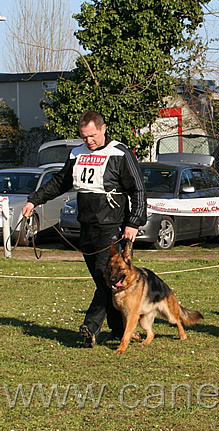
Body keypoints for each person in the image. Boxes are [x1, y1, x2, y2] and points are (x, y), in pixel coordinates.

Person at [22, 110, 147, 347]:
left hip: (112, 227)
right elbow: (60, 181)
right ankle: (120, 330)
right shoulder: (77, 153)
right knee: (104, 281)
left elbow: (138, 189)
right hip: (86, 227)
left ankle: (90, 327)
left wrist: (134, 222)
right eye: (84, 137)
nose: (89, 141)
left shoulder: (120, 153)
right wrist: (34, 200)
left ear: (103, 129)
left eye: (92, 136)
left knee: (106, 278)